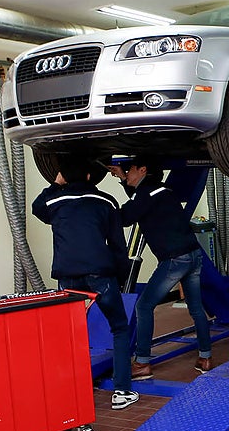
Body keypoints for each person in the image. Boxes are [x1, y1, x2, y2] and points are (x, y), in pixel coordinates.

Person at [32, 157, 138, 410]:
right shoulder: (106, 201)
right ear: (90, 177)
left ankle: (73, 390)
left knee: (71, 333)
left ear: (63, 177)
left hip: (67, 276)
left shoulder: (55, 201)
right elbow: (117, 245)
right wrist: (121, 277)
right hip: (100, 274)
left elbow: (37, 207)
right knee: (119, 328)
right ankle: (122, 391)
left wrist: (55, 184)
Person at [106, 156, 212, 378]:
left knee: (144, 306)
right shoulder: (163, 191)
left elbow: (125, 217)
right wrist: (123, 177)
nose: (128, 173)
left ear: (143, 169)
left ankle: (142, 363)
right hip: (193, 255)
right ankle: (205, 357)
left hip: (175, 259)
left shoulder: (146, 194)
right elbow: (138, 198)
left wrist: (100, 208)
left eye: (130, 169)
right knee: (196, 308)